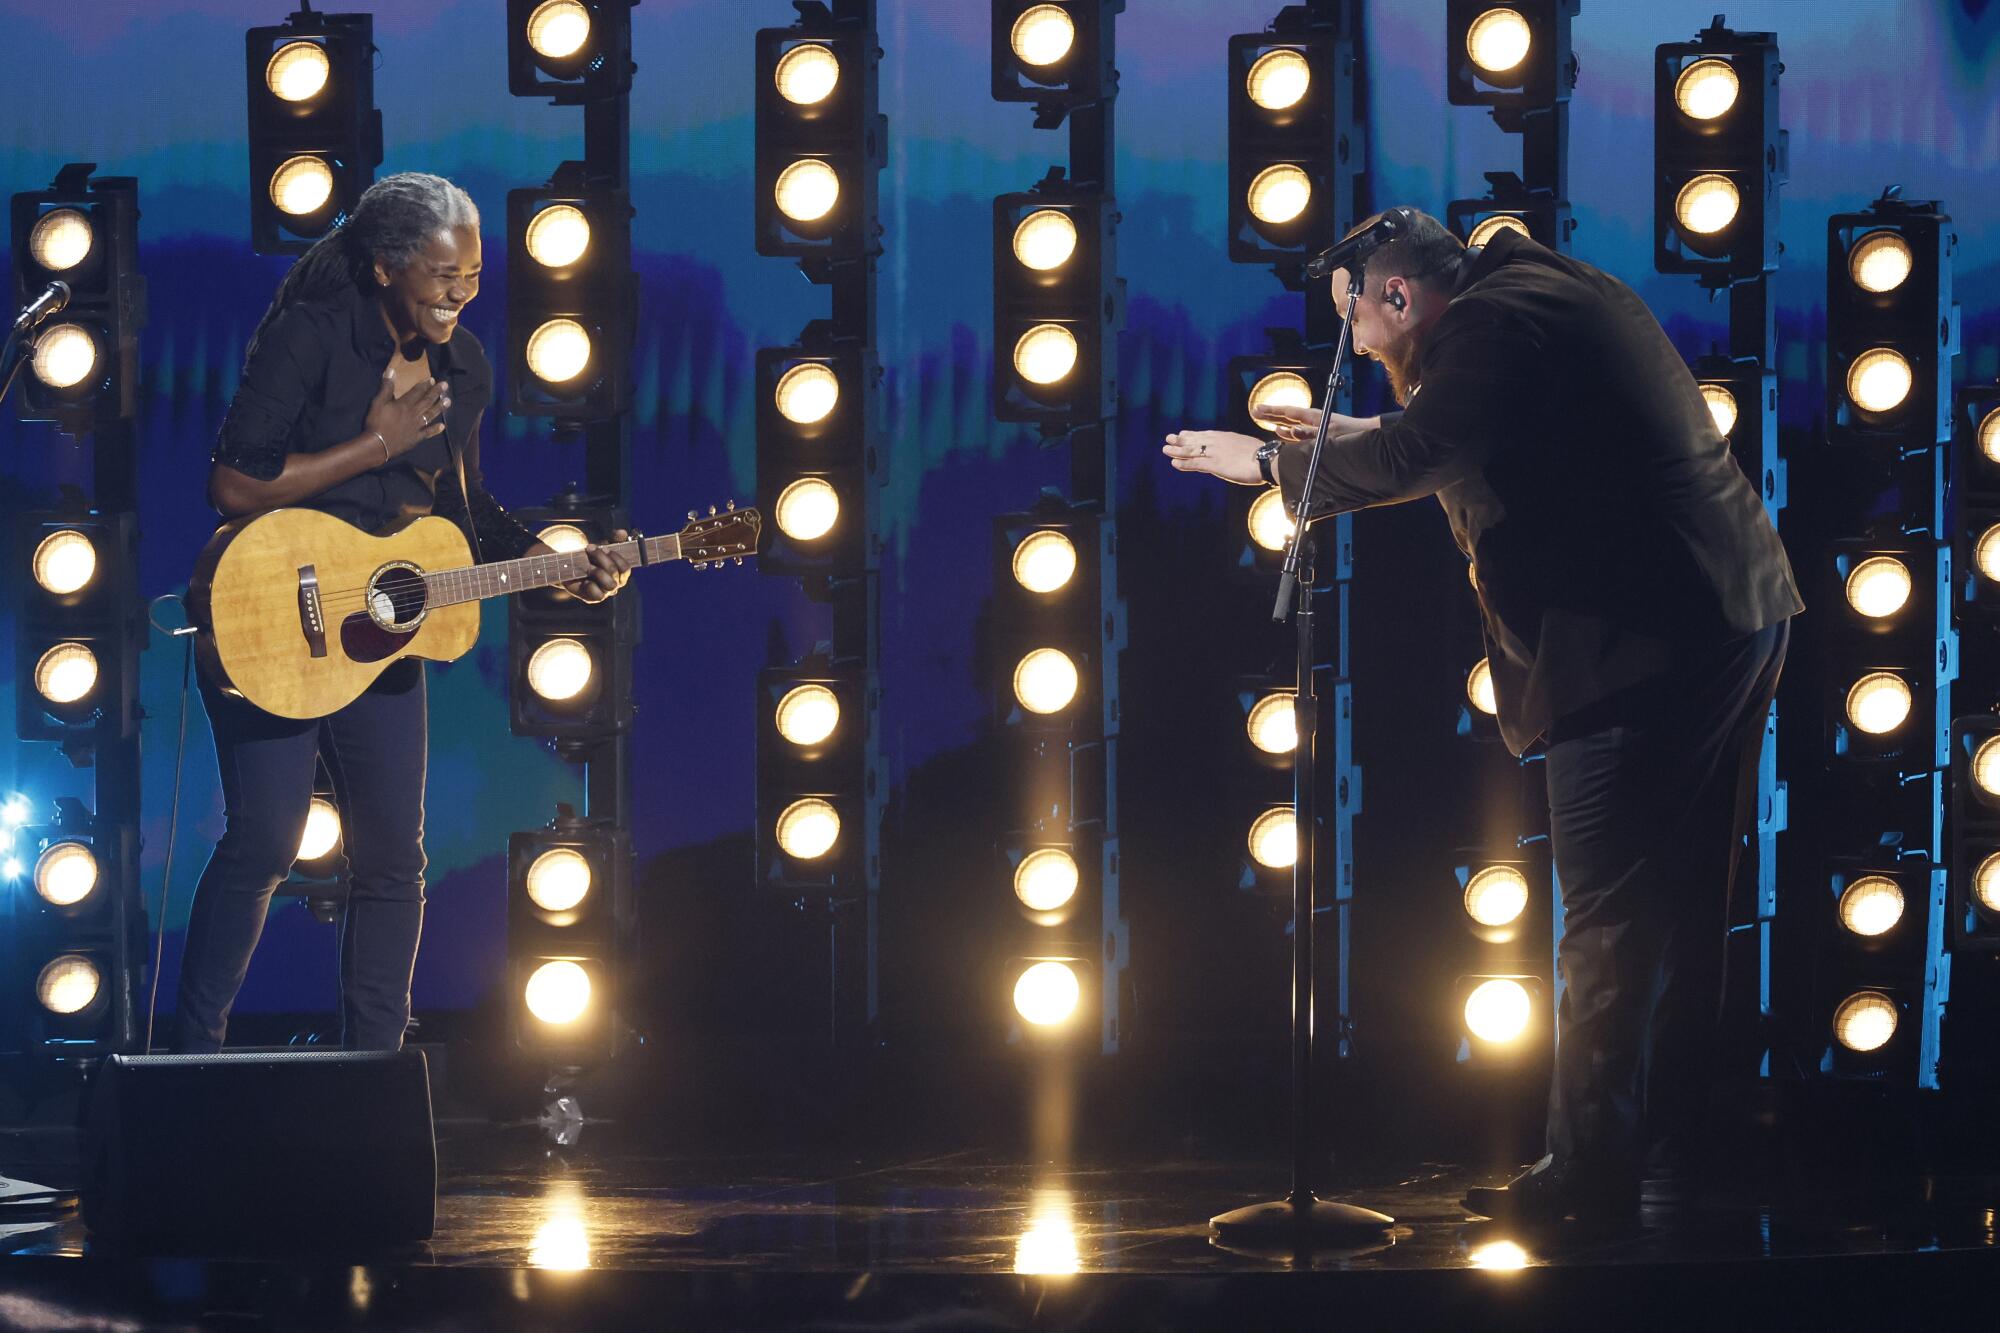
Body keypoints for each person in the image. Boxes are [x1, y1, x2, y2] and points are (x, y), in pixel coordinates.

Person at [1163, 208, 1801, 1224]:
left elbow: (1427, 450)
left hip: (1640, 640)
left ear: (1400, 296)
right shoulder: (1529, 299)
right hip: (1714, 616)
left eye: (1354, 323)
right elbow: (1458, 433)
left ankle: (1587, 1175)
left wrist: (1264, 465)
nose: (1356, 346)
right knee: (1671, 901)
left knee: (1606, 914)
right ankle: (1676, 1145)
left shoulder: (1498, 324)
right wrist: (1351, 437)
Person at [177, 173, 633, 1053]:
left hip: (382, 632)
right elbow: (232, 483)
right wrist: (375, 444)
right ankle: (193, 1063)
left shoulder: (464, 367)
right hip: (272, 608)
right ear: (387, 268)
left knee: (394, 861)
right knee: (265, 842)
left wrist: (551, 563)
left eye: (473, 276)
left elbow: (463, 514)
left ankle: (373, 1069)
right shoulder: (311, 336)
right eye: (441, 274)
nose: (460, 293)